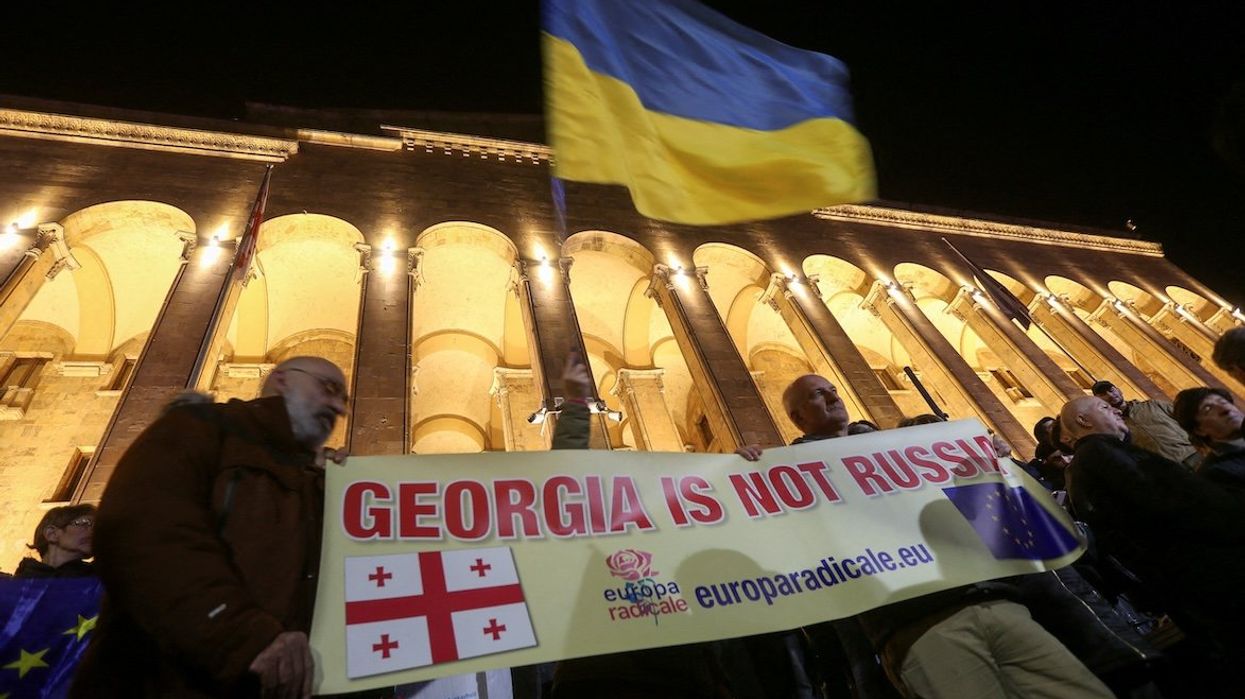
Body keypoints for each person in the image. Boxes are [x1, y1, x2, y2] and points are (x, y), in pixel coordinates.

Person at [739, 375, 1114, 699]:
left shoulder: (896, 450)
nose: (833, 396)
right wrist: (741, 468)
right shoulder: (788, 472)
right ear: (797, 418)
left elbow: (967, 505)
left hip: (989, 597)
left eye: (832, 389)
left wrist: (984, 460)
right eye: (817, 395)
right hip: (915, 622)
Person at [71, 356, 350, 698]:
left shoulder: (318, 477)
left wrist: (341, 490)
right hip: (165, 682)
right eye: (330, 388)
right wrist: (243, 637)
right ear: (282, 380)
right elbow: (146, 534)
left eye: (344, 399)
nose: (339, 408)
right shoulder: (197, 427)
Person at [1060, 394, 1245, 661]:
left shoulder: (1094, 457)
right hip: (1202, 569)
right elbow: (1162, 500)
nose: (1113, 409)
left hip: (1184, 577)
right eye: (1103, 407)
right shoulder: (1099, 453)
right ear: (1083, 420)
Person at [1091, 381, 1198, 467]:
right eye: (1103, 394)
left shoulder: (1153, 405)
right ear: (1098, 400)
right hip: (1167, 469)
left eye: (1111, 390)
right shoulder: (1114, 427)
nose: (1110, 395)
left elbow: (1187, 419)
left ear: (1118, 390)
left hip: (1192, 453)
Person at [1173, 387, 1245, 489]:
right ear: (1199, 430)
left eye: (1223, 402)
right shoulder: (1217, 474)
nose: (1225, 409)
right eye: (1208, 409)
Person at [13, 504, 97, 578]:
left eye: (96, 526)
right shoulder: (18, 586)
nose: (94, 531)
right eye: (85, 523)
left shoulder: (100, 578)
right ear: (51, 534)